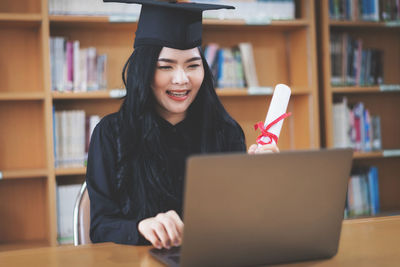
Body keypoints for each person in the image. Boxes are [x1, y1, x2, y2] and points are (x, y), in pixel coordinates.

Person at [86, 0, 278, 250]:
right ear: (143, 72)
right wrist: (139, 228)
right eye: (165, 66)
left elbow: (242, 221)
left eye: (193, 65)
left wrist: (264, 180)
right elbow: (100, 226)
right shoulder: (112, 134)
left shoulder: (225, 132)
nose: (181, 79)